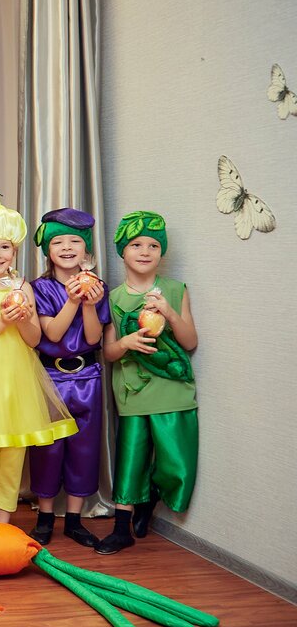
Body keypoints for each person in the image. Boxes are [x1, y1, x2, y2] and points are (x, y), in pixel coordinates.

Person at [0, 179, 77, 523]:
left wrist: (21, 320)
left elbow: (34, 339)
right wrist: (3, 321)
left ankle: (4, 527)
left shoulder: (23, 286)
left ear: (15, 250)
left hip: (18, 382)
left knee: (13, 456)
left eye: (4, 247)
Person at [96, 211, 199, 555]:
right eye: (136, 244)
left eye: (153, 245)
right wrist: (126, 342)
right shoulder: (112, 298)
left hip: (173, 388)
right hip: (133, 390)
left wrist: (169, 313)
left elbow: (190, 342)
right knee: (132, 457)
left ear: (162, 252)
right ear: (122, 251)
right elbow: (109, 352)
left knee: (176, 461)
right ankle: (121, 527)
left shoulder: (175, 290)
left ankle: (150, 497)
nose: (145, 251)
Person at [28, 208, 109, 547]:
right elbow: (53, 332)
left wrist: (89, 303)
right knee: (47, 449)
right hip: (49, 378)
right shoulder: (39, 288)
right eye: (57, 241)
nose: (66, 247)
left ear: (86, 249)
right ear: (47, 250)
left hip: (88, 377)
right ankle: (45, 517)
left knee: (83, 448)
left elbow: (93, 338)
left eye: (74, 241)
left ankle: (74, 520)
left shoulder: (99, 288)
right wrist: (74, 301)